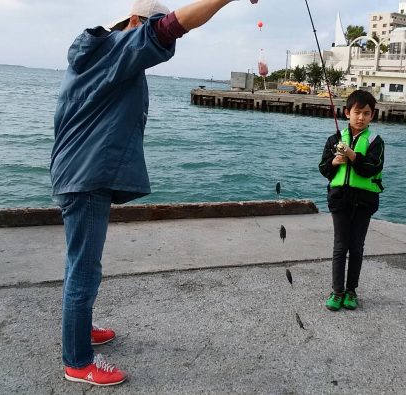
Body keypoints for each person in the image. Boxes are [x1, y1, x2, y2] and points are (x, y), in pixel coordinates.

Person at [50, 0, 258, 386]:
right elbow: (172, 27)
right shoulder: (117, 49)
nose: (157, 34)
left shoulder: (94, 56)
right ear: (133, 22)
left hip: (74, 173)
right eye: (151, 24)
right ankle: (77, 362)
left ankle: (79, 330)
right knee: (85, 269)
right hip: (87, 178)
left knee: (78, 262)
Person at [318, 90, 385, 312]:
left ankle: (351, 291)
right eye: (357, 112)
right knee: (340, 246)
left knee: (356, 247)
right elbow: (323, 169)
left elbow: (372, 168)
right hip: (339, 199)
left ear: (372, 116)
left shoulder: (376, 141)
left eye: (367, 113)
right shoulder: (333, 140)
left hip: (365, 201)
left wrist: (352, 155)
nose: (361, 118)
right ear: (347, 113)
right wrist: (336, 161)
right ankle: (337, 291)